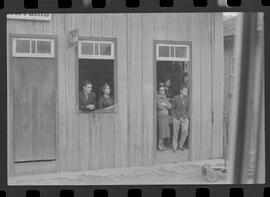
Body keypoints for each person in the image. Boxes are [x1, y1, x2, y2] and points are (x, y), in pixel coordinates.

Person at [172, 85, 189, 152]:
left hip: (184, 118)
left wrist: (185, 117)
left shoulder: (187, 98)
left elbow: (188, 109)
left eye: (186, 91)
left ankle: (181, 145)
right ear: (181, 91)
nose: (186, 92)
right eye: (185, 90)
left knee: (185, 131)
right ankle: (174, 146)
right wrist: (177, 117)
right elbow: (172, 109)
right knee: (175, 132)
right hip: (177, 118)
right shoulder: (175, 98)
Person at [157, 85, 172, 151]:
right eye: (161, 90)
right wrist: (166, 105)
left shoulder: (165, 97)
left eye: (163, 90)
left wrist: (165, 104)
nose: (162, 91)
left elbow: (170, 106)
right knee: (161, 130)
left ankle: (162, 145)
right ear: (159, 91)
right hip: (161, 116)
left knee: (165, 131)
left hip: (166, 116)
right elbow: (159, 106)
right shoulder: (157, 97)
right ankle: (159, 145)